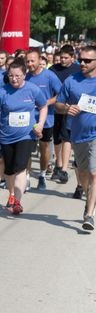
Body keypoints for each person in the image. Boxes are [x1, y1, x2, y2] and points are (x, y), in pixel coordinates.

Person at [0, 61, 46, 216]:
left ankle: (17, 201)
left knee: (20, 167)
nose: (14, 79)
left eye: (17, 76)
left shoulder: (32, 89)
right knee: (10, 170)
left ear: (24, 75)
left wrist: (40, 124)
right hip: (6, 137)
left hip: (26, 135)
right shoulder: (3, 92)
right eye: (11, 76)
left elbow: (43, 106)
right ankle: (11, 194)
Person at [54, 46, 96, 231]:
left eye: (88, 60)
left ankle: (89, 215)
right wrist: (66, 108)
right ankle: (89, 198)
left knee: (94, 173)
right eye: (81, 60)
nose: (83, 63)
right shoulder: (72, 81)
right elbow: (58, 104)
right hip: (78, 135)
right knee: (84, 174)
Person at [25, 48, 62, 190]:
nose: (30, 64)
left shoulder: (50, 76)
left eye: (32, 61)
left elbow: (61, 94)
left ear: (40, 60)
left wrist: (45, 103)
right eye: (27, 61)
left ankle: (42, 175)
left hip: (46, 119)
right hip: (28, 119)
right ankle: (26, 177)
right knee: (27, 149)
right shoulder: (25, 76)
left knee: (44, 148)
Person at [49, 44, 80, 184]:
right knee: (56, 138)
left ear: (72, 58)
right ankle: (58, 163)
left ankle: (63, 169)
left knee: (66, 137)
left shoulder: (78, 70)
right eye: (61, 57)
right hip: (56, 108)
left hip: (72, 109)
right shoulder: (53, 70)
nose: (62, 60)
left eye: (65, 58)